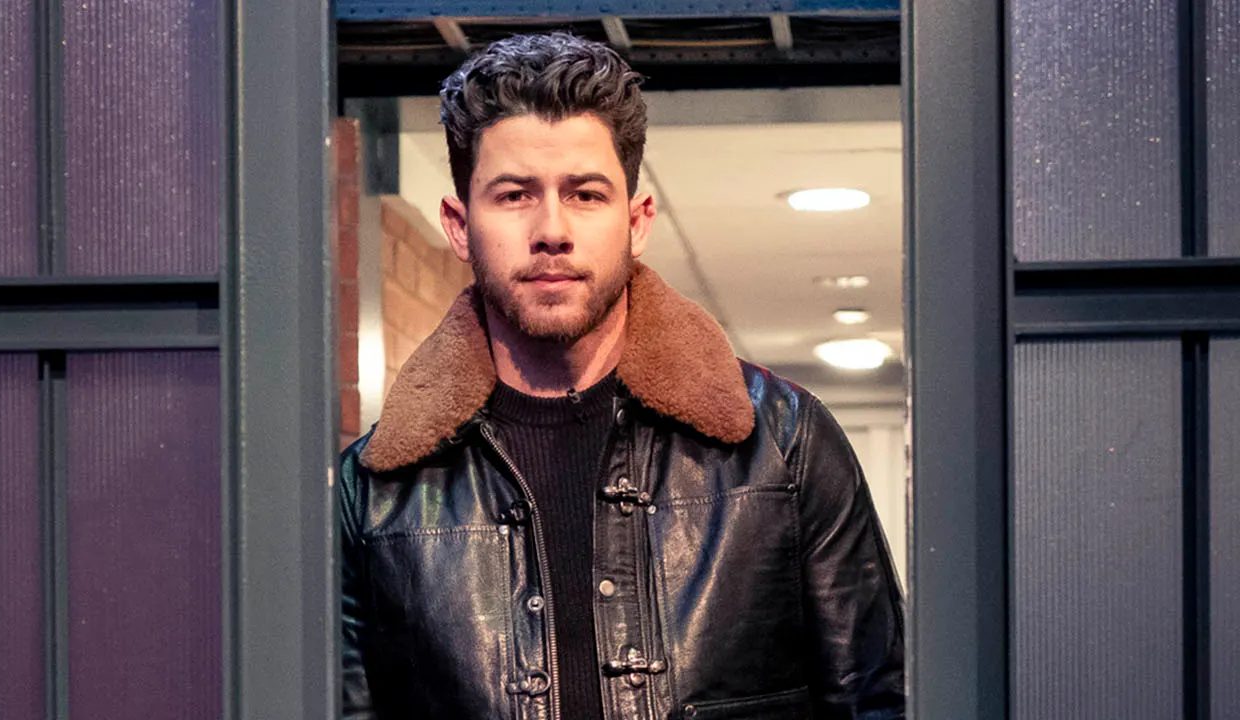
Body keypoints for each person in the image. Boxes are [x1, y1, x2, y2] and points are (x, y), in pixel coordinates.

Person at [340, 32, 905, 720]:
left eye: (585, 194)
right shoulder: (373, 495)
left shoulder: (783, 445)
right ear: (460, 226)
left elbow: (879, 701)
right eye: (514, 195)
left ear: (636, 221)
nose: (552, 230)